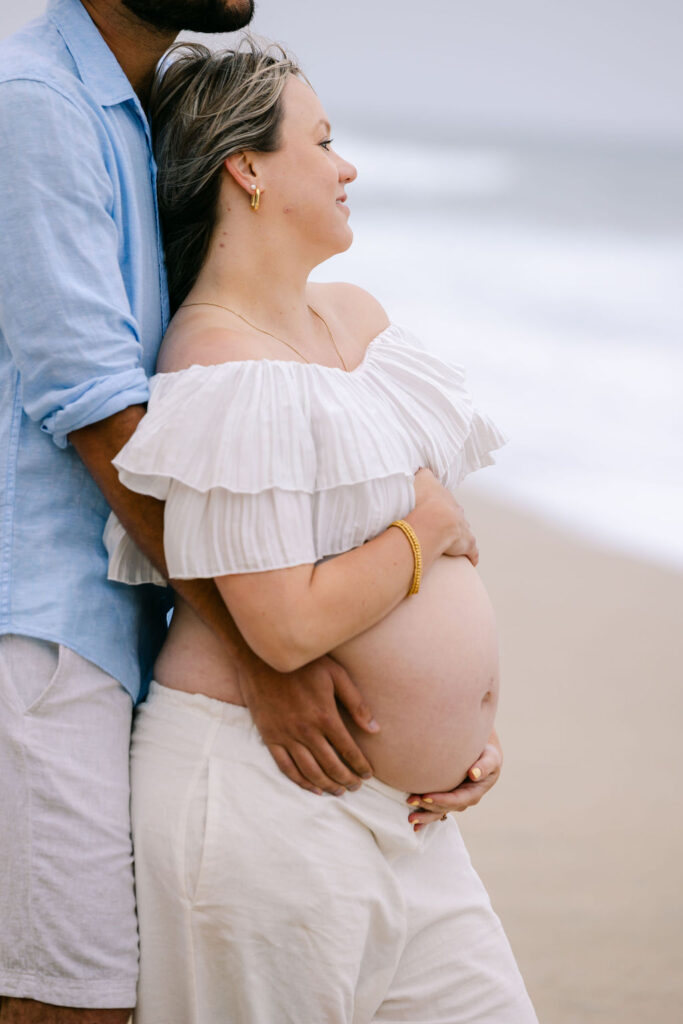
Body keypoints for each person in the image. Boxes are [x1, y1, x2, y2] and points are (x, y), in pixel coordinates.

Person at [0, 3, 501, 1022]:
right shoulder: (39, 102)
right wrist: (258, 651)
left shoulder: (132, 110)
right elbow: (96, 408)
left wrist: (441, 722)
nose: (344, 164)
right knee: (72, 1000)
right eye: (322, 143)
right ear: (248, 168)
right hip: (51, 627)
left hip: (145, 636)